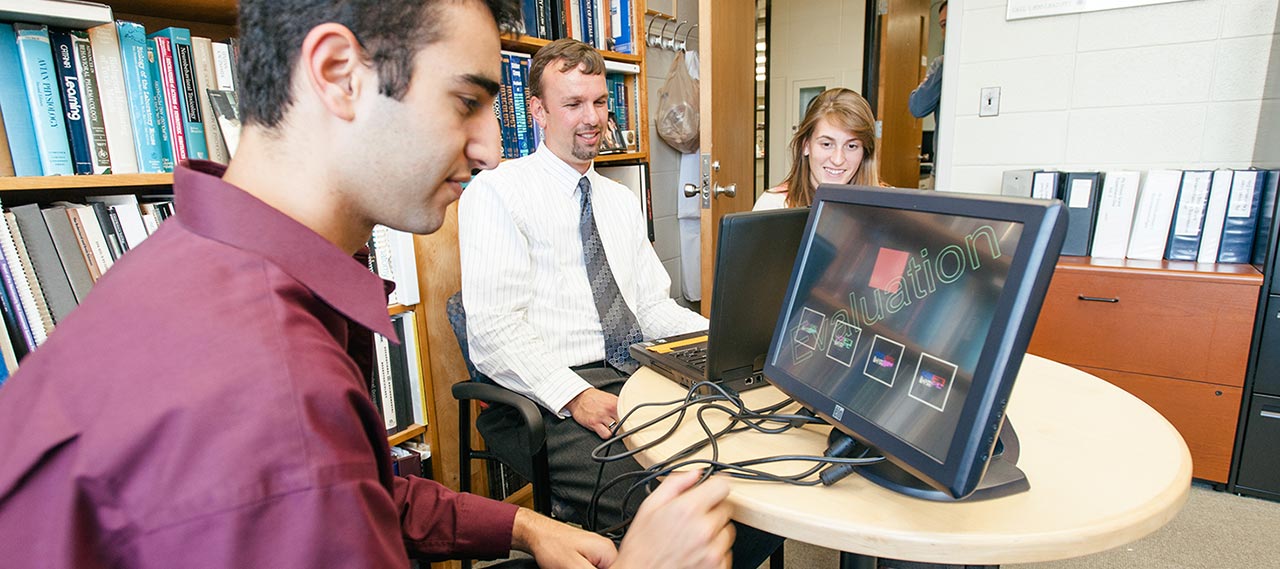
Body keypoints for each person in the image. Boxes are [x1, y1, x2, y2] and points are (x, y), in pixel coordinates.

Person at [0, 2, 734, 568]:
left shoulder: (205, 268)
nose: (487, 148)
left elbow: (362, 488)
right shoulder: (271, 394)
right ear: (338, 74)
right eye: (465, 101)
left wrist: (519, 521)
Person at [458, 38, 780, 568]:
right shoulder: (497, 193)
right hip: (547, 396)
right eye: (573, 104)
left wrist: (720, 339)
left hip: (631, 374)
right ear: (537, 109)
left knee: (754, 468)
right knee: (671, 509)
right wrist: (576, 395)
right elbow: (492, 331)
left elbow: (650, 307)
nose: (592, 118)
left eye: (600, 102)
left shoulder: (620, 200)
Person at [755, 87, 881, 210]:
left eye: (851, 146)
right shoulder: (774, 206)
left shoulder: (887, 205)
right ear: (806, 145)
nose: (838, 160)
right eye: (827, 144)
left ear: (865, 151)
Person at [909, 0, 947, 153]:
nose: (946, 31)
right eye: (943, 25)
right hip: (942, 166)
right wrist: (943, 65)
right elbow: (917, 108)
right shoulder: (941, 65)